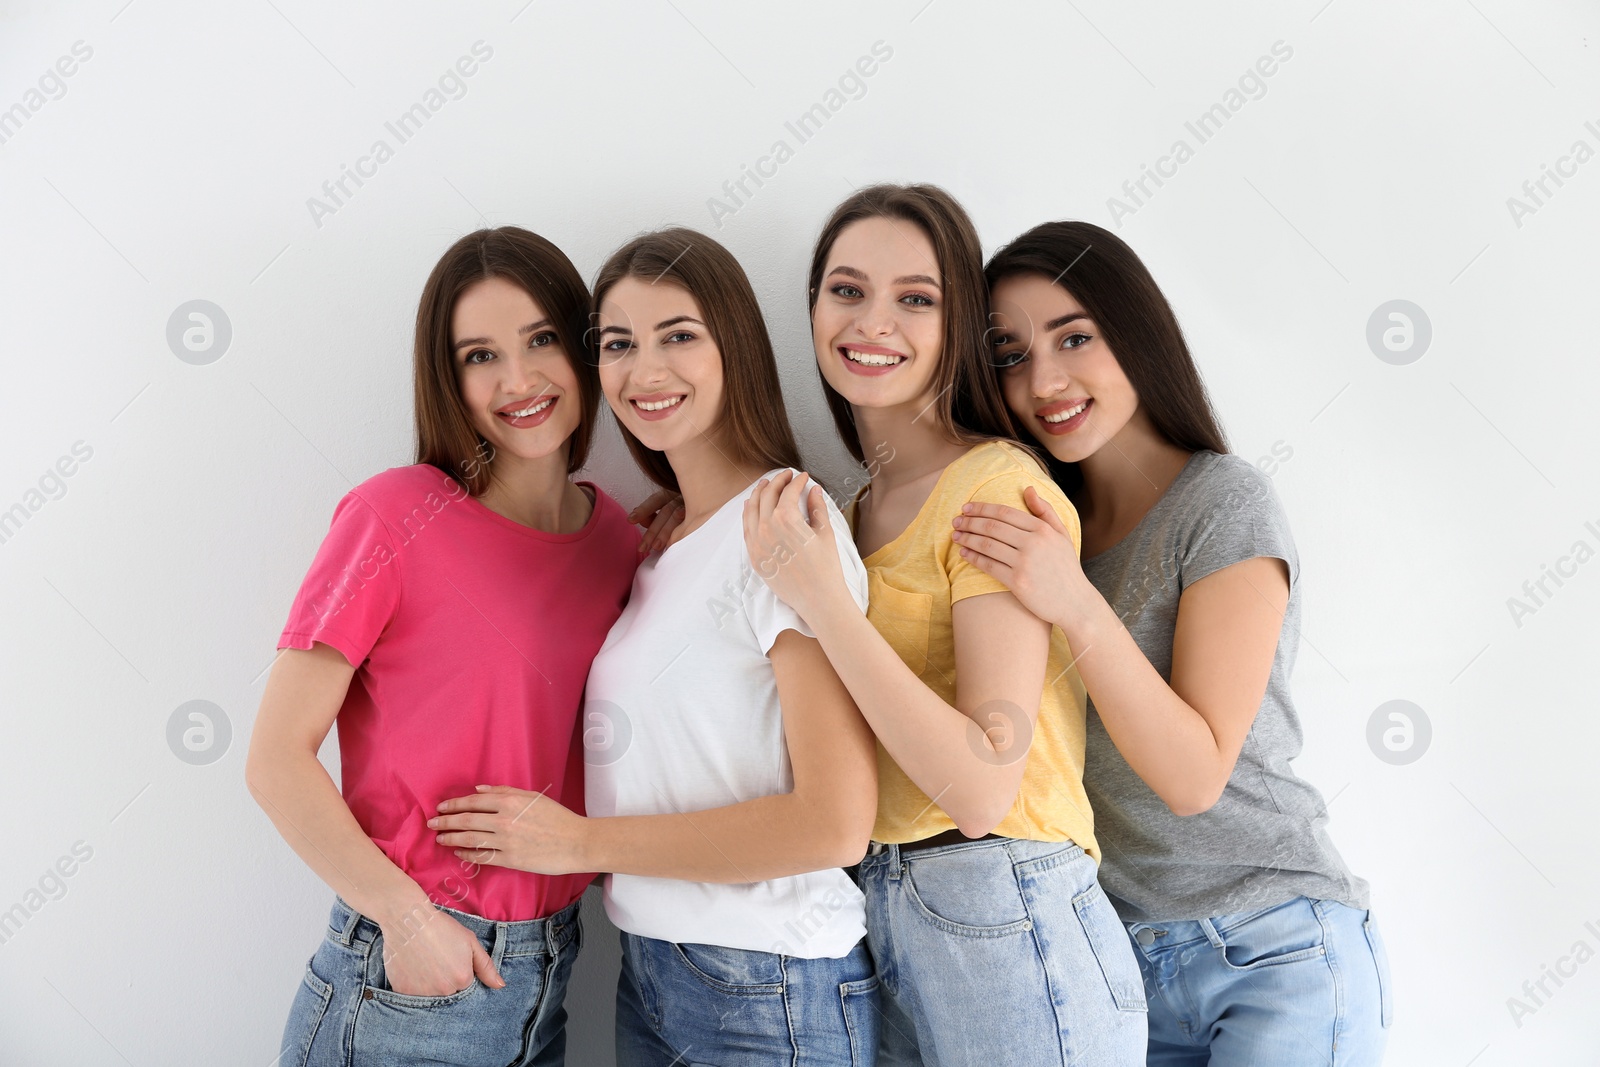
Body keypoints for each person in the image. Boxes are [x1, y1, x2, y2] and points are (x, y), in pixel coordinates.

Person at [431, 227, 883, 1066]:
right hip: (654, 972)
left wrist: (579, 842)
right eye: (618, 344)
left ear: (735, 347)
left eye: (678, 335)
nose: (645, 371)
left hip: (768, 985)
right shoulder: (667, 543)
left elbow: (835, 823)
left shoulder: (783, 521)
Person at [953, 219, 1390, 1064]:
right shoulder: (1048, 527)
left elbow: (1194, 775)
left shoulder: (1223, 502)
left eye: (1074, 336)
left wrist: (1074, 602)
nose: (1044, 378)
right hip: (1120, 965)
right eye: (1010, 353)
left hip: (1274, 949)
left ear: (1138, 334)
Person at [742, 185, 1148, 1065]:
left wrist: (823, 603)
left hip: (1006, 901)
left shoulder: (995, 486)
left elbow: (979, 789)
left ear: (955, 321)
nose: (873, 321)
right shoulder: (845, 514)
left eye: (914, 299)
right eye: (846, 290)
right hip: (886, 914)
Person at [246, 227, 643, 1067]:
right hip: (414, 975)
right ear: (447, 379)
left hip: (552, 971)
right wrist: (405, 916)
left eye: (540, 340)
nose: (518, 380)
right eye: (479, 355)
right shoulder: (394, 515)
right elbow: (276, 757)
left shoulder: (616, 538)